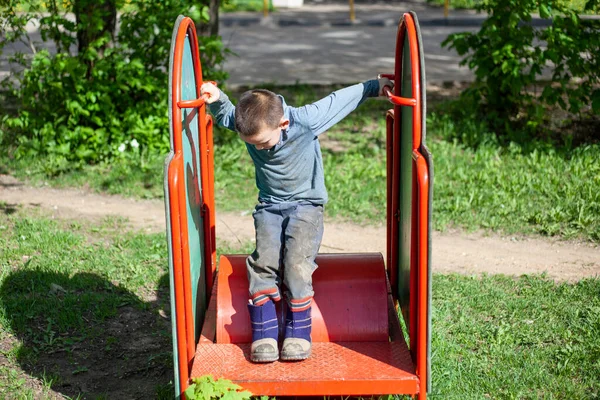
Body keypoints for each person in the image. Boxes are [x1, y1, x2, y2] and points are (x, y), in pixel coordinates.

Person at [201, 77, 393, 363]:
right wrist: (216, 97)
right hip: (269, 205)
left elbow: (338, 101)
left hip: (306, 206)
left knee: (295, 263)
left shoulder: (305, 120)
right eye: (253, 145)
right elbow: (227, 114)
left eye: (264, 143)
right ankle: (264, 331)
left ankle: (298, 331)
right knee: (263, 261)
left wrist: (374, 87)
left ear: (283, 125)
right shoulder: (253, 125)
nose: (261, 149)